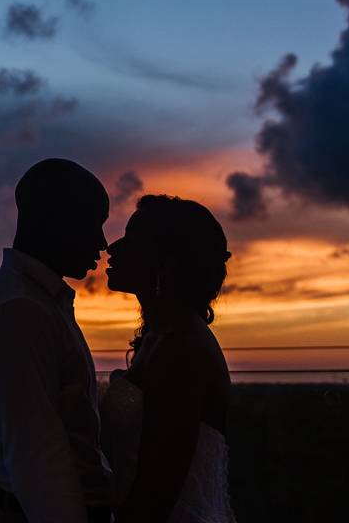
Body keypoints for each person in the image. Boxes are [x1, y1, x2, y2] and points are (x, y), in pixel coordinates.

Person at [0, 158, 113, 523]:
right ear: (51, 220)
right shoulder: (20, 311)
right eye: (92, 224)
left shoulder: (32, 303)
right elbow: (37, 455)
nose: (102, 243)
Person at [101, 195, 236, 523]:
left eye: (132, 240)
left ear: (166, 264)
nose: (112, 248)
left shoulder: (182, 349)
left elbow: (156, 493)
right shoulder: (160, 337)